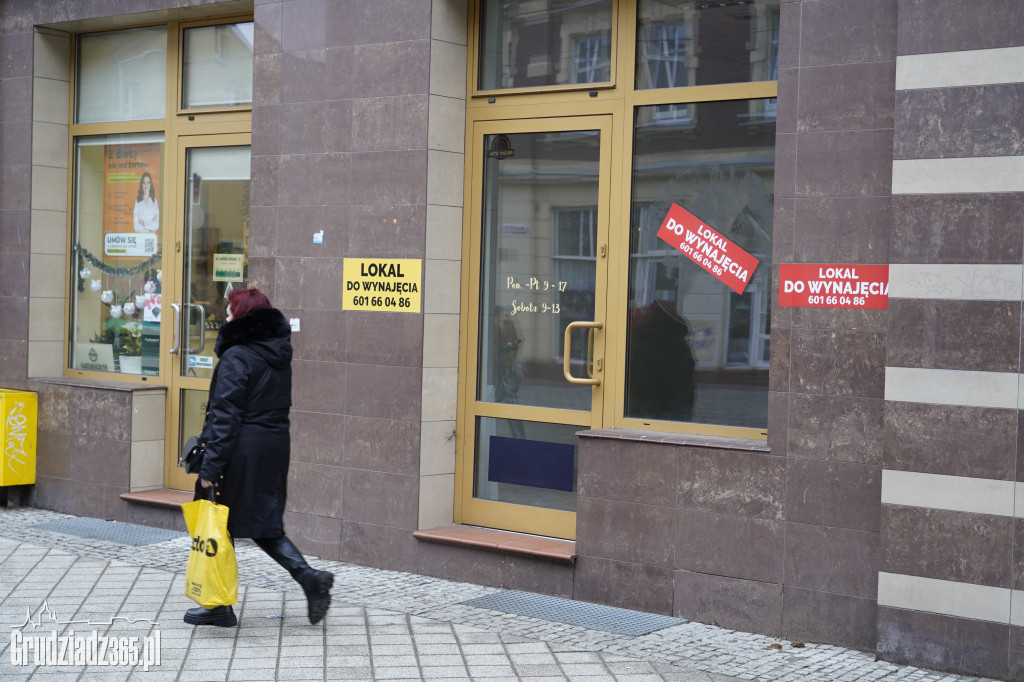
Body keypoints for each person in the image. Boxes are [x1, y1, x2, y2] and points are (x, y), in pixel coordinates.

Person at [184, 287, 334, 628]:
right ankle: (309, 580)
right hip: (273, 447)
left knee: (217, 521)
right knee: (258, 519)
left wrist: (210, 467)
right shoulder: (277, 353)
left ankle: (219, 605)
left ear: (242, 315)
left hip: (242, 449)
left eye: (230, 310)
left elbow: (225, 416)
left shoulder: (237, 357)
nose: (225, 316)